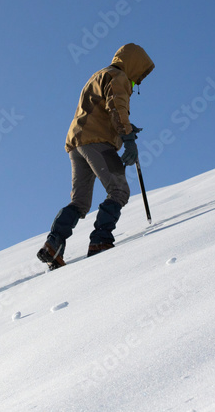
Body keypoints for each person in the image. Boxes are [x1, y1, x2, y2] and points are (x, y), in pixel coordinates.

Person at [37, 43, 155, 270]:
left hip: (76, 143)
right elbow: (117, 107)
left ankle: (54, 246)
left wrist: (126, 128)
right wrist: (127, 138)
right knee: (119, 190)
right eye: (138, 75)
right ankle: (100, 240)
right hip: (97, 142)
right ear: (133, 64)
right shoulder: (119, 76)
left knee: (80, 202)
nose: (137, 82)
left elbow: (102, 110)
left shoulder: (98, 74)